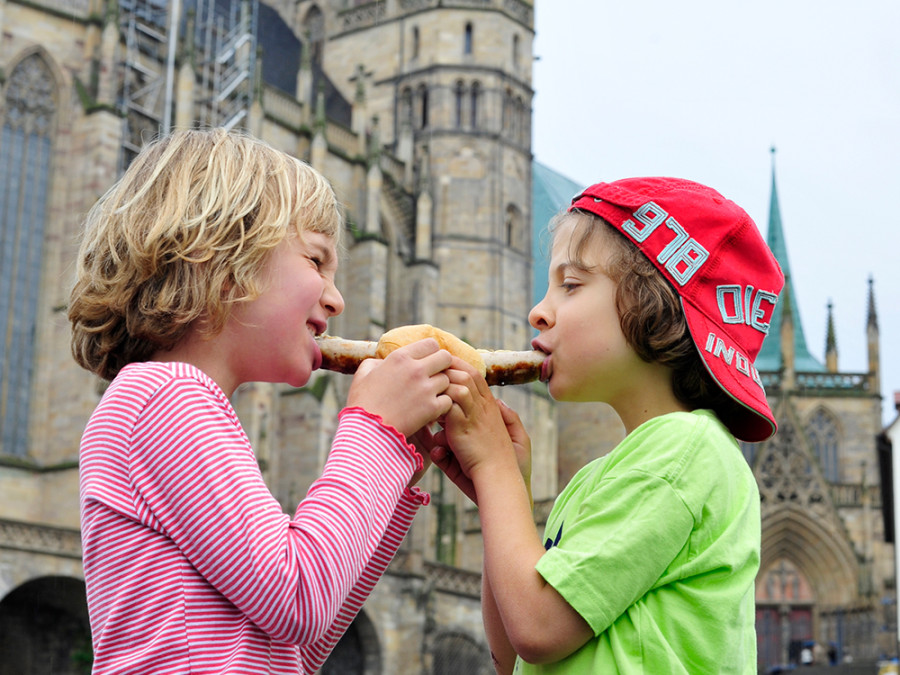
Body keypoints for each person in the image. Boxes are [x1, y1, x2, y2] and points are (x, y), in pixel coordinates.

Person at [69, 128, 455, 674]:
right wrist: (374, 430)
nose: (337, 298)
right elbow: (298, 599)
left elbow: (299, 643)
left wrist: (395, 470)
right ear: (223, 258)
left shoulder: (178, 404)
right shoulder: (165, 398)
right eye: (317, 261)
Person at [429, 177, 785, 673]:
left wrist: (495, 470)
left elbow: (537, 629)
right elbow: (509, 652)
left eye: (570, 285)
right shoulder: (594, 480)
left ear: (653, 306)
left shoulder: (684, 451)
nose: (538, 311)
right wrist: (504, 489)